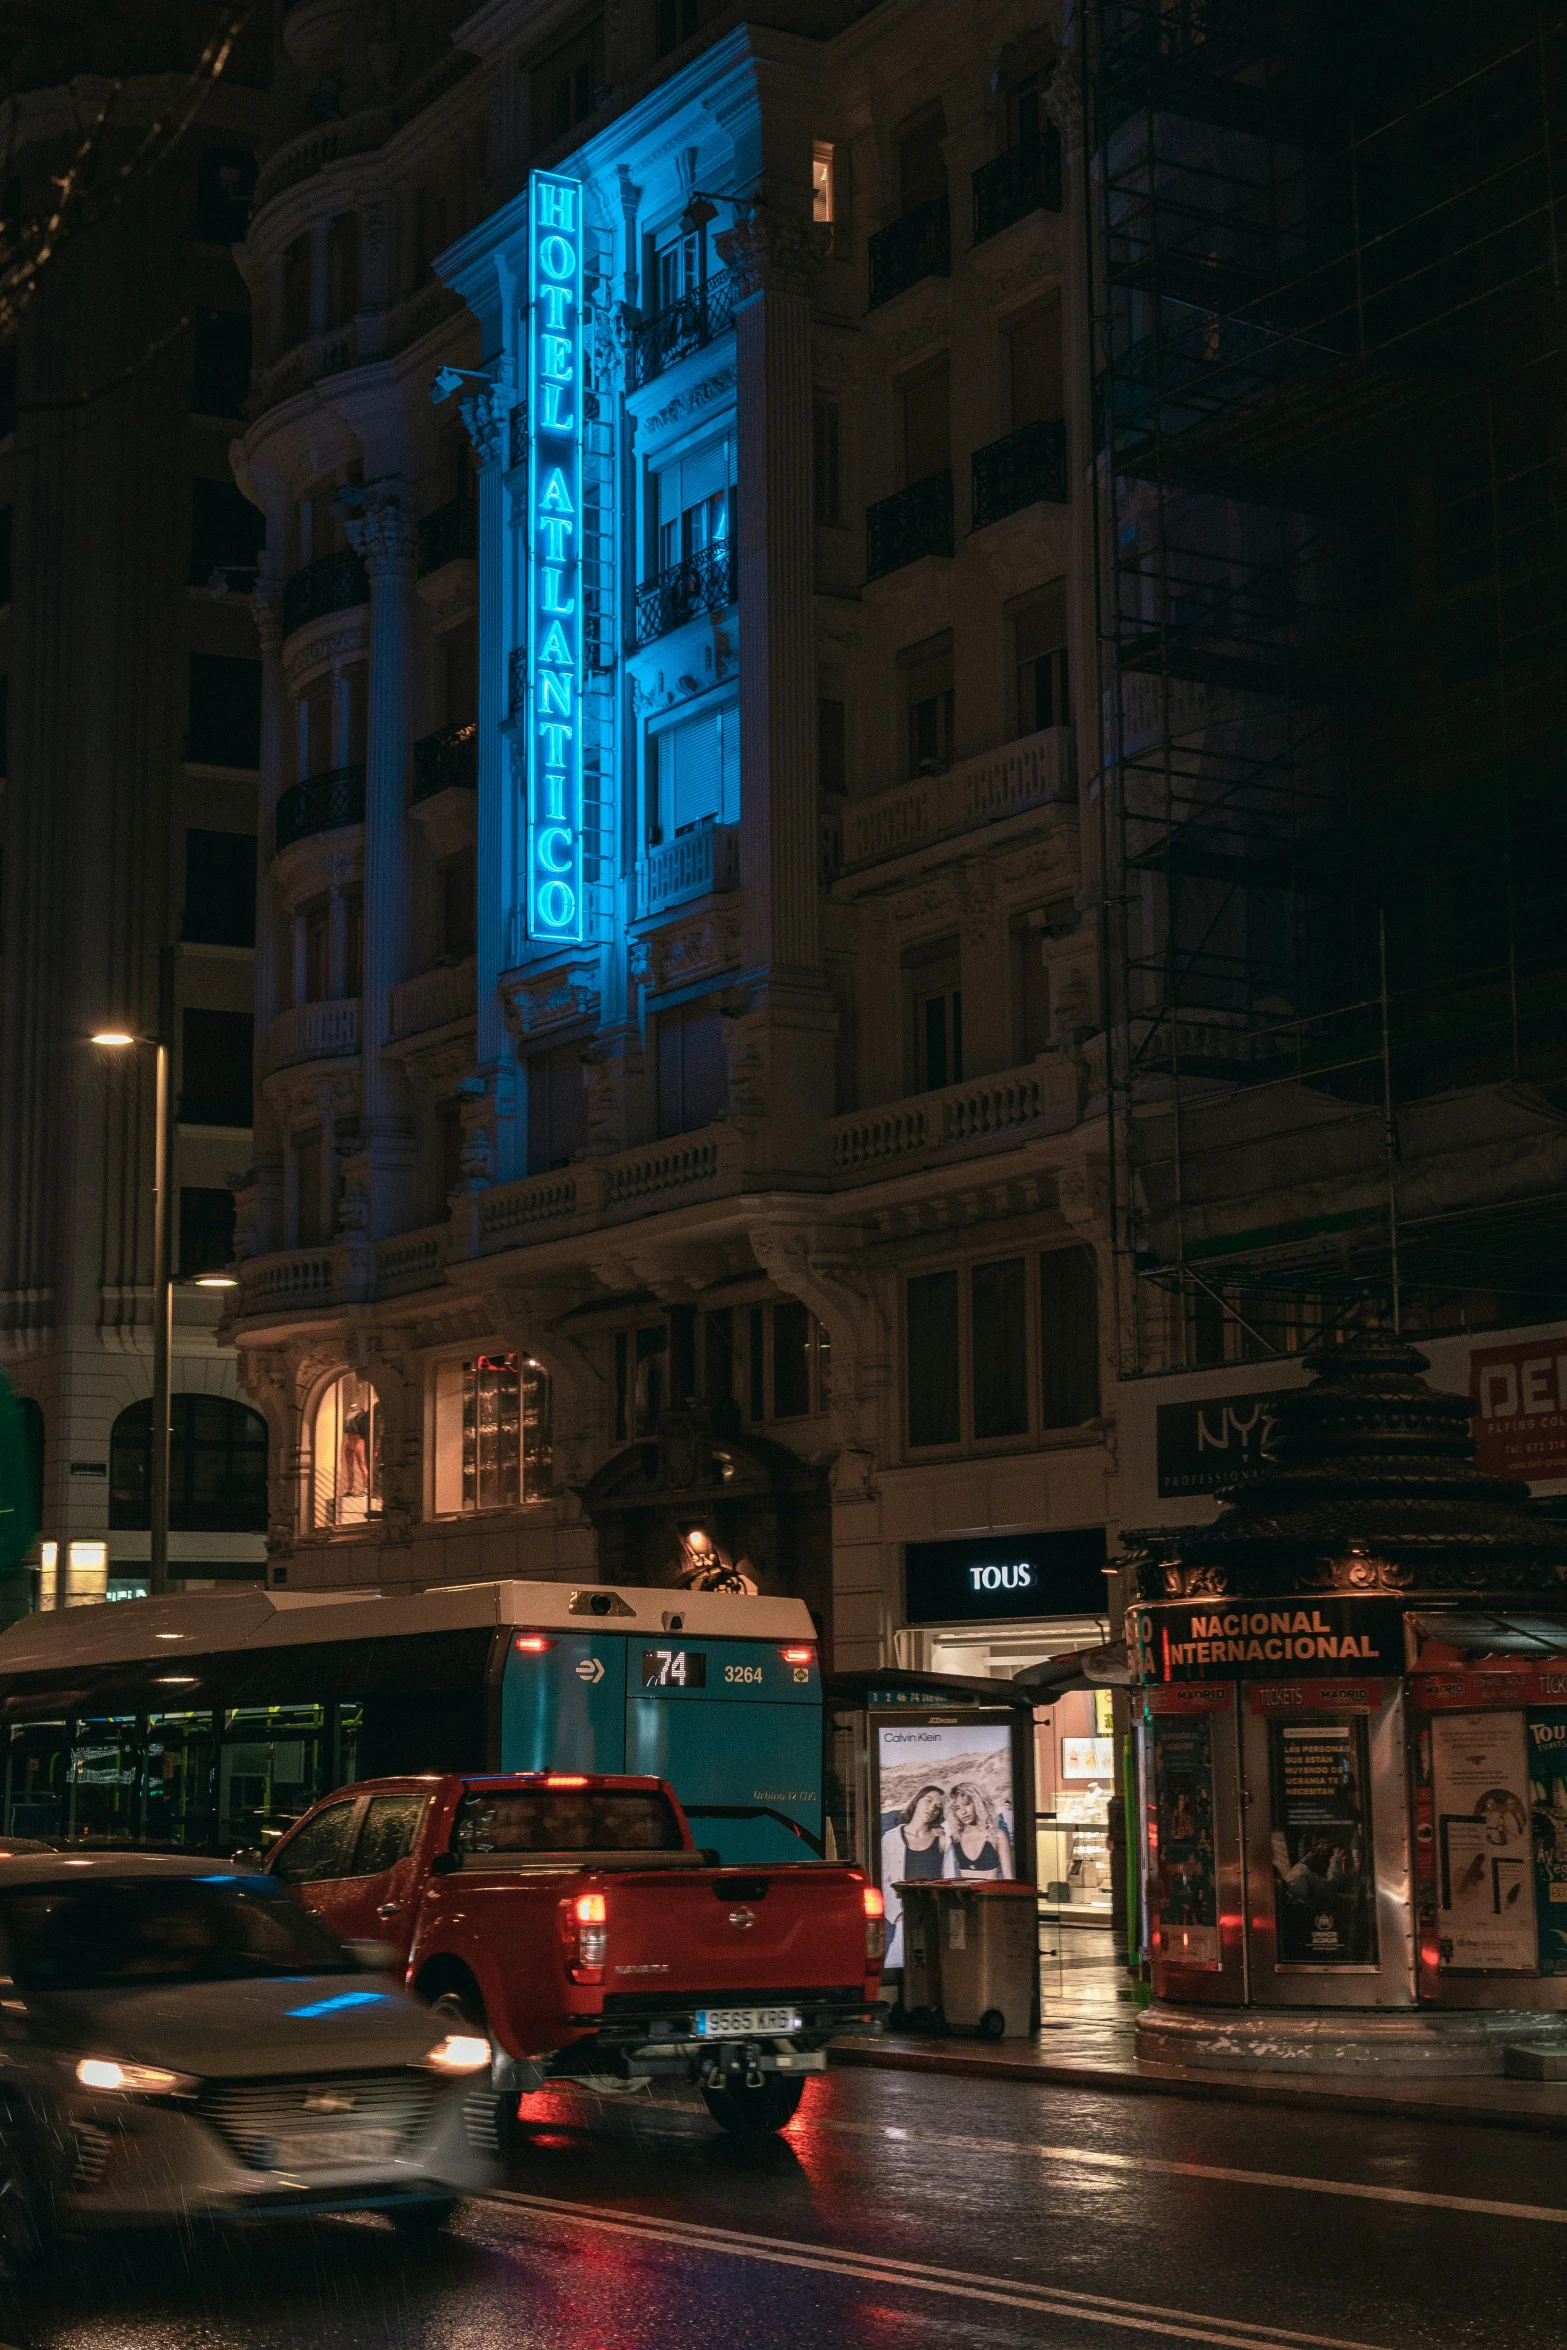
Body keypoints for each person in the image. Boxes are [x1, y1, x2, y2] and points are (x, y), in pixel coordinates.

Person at [943, 1780, 1013, 1880]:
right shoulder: (956, 1838)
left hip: (990, 1894)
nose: (963, 1812)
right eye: (957, 1808)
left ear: (978, 1803)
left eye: (967, 1804)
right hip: (965, 1895)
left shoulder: (996, 1835)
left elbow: (1008, 1878)